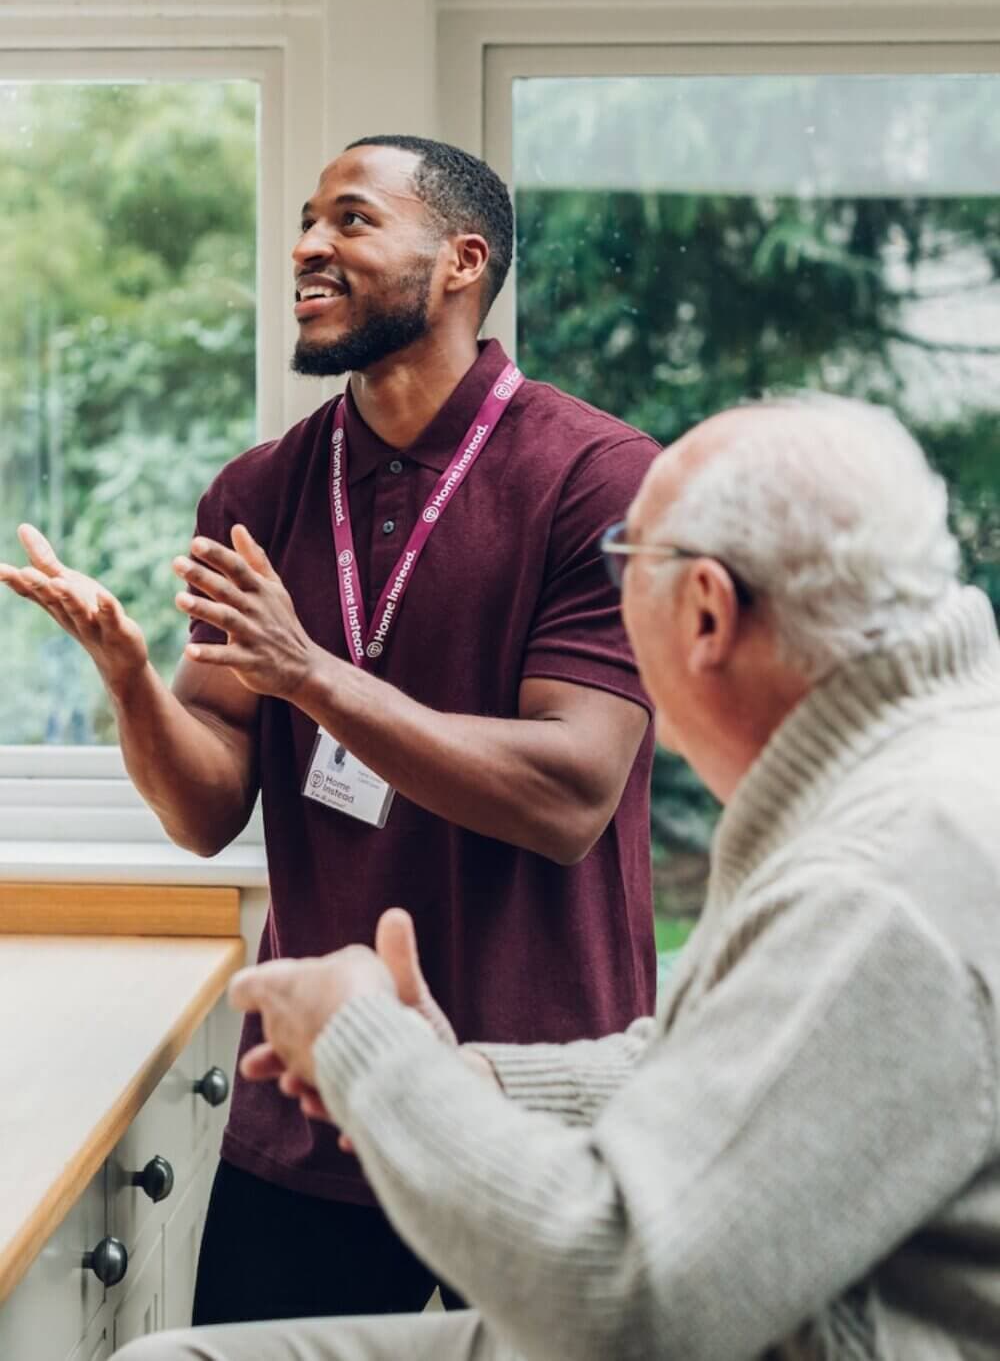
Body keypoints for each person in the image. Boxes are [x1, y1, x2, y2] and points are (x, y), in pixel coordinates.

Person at [119, 393, 1000, 1360]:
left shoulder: (880, 879)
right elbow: (762, 1065)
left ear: (705, 611)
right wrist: (478, 1077)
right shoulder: (926, 779)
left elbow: (622, 1302)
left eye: (628, 572)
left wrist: (368, 1053)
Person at [0, 136, 660, 1324]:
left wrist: (310, 672)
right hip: (309, 1114)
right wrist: (134, 683)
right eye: (306, 220)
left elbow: (570, 797)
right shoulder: (258, 493)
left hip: (534, 1117)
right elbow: (206, 811)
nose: (308, 246)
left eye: (352, 221)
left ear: (461, 261)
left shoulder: (599, 478)